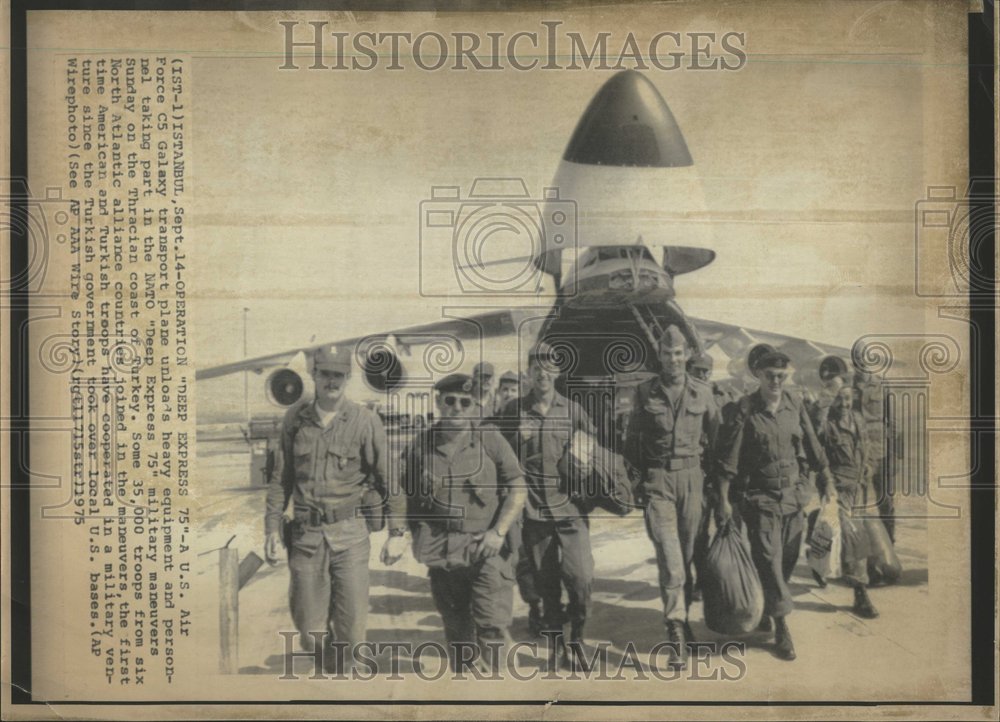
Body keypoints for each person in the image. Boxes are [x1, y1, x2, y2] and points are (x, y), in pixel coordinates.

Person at [264, 345, 407, 669]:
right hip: (305, 537)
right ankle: (330, 661)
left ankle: (345, 680)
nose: (333, 381)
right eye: (326, 373)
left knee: (353, 629)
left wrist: (398, 532)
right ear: (314, 375)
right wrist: (271, 529)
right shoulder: (295, 420)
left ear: (348, 377)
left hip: (350, 535)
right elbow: (280, 480)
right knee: (309, 630)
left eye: (339, 375)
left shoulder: (365, 421)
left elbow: (390, 480)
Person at [393, 373, 527, 672]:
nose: (457, 407)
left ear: (473, 406)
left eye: (465, 402)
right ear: (439, 403)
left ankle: (504, 699)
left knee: (492, 625)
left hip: (486, 548)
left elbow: (518, 487)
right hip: (442, 550)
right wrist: (399, 531)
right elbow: (401, 490)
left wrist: (498, 532)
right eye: (450, 401)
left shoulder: (490, 439)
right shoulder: (421, 444)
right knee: (456, 631)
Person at [714, 348, 835, 661]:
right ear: (759, 376)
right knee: (768, 559)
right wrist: (724, 499)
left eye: (782, 376)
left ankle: (768, 604)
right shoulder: (746, 409)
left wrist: (824, 479)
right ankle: (781, 625)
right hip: (761, 499)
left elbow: (811, 443)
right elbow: (730, 458)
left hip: (793, 498)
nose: (776, 381)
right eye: (770, 376)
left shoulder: (794, 404)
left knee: (787, 559)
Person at [496, 341, 598, 668]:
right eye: (536, 366)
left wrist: (585, 480)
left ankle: (577, 639)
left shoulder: (573, 411)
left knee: (581, 580)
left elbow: (592, 452)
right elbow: (495, 454)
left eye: (550, 365)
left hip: (571, 512)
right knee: (546, 584)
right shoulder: (512, 412)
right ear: (528, 372)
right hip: (534, 513)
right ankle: (557, 645)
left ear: (558, 371)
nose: (543, 372)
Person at [624, 326, 720, 669]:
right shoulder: (645, 392)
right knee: (671, 560)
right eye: (667, 354)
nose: (673, 359)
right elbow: (631, 442)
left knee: (689, 553)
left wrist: (716, 489)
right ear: (660, 357)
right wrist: (637, 484)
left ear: (687, 355)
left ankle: (685, 620)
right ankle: (675, 630)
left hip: (693, 480)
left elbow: (717, 442)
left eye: (678, 353)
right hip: (659, 481)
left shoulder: (703, 393)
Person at [812, 377, 879, 619]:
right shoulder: (826, 424)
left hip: (859, 487)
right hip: (836, 486)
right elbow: (819, 456)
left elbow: (868, 448)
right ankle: (861, 593)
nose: (844, 404)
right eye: (840, 399)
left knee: (833, 532)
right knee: (853, 536)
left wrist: (870, 467)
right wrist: (828, 483)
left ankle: (817, 557)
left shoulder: (859, 420)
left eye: (848, 399)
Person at [854, 369, 897, 544]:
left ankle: (889, 543)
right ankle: (859, 546)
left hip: (881, 452)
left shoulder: (882, 384)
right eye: (857, 359)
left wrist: (894, 455)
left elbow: (892, 423)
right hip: (858, 452)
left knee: (886, 502)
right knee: (858, 502)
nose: (861, 363)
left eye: (864, 358)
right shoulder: (848, 385)